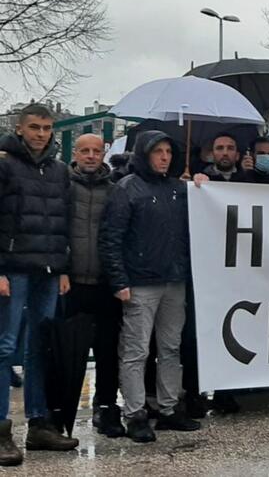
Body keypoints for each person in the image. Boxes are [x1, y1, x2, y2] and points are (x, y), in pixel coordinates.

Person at [100, 131, 201, 443]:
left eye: (168, 151)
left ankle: (169, 408)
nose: (164, 157)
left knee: (171, 348)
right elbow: (111, 237)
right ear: (144, 154)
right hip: (140, 283)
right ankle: (135, 413)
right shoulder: (126, 189)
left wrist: (200, 186)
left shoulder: (177, 190)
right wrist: (119, 281)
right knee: (136, 350)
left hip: (174, 280)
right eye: (158, 151)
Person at [0, 104, 78, 466]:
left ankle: (39, 423)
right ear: (20, 129)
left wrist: (63, 267)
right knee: (5, 347)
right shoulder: (4, 164)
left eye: (47, 127)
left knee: (39, 348)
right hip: (12, 268)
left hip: (48, 269)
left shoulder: (60, 170)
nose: (41, 133)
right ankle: (1, 430)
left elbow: (64, 221)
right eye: (34, 127)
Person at [66, 134, 125, 437]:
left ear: (104, 154)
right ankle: (59, 411)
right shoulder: (63, 187)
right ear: (74, 154)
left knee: (107, 351)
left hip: (105, 283)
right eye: (84, 151)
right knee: (65, 352)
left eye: (96, 151)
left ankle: (106, 407)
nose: (91, 156)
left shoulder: (116, 191)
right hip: (71, 282)